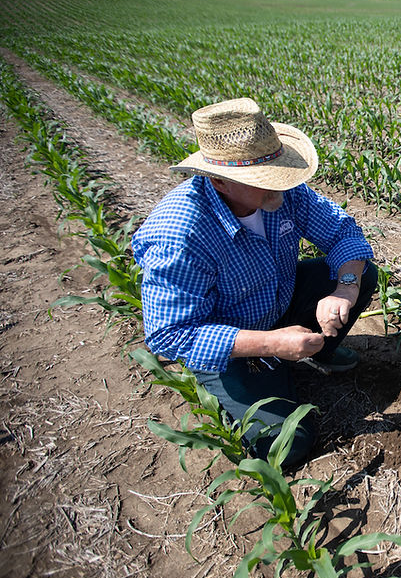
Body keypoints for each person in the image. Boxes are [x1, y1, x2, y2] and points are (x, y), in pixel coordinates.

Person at [133, 97, 377, 469]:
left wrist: (344, 288)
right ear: (219, 181)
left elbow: (344, 233)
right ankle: (229, 380)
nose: (280, 187)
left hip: (274, 300)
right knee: (287, 444)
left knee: (359, 272)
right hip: (227, 339)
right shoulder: (179, 234)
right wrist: (271, 343)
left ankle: (315, 352)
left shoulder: (284, 192)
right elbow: (171, 334)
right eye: (264, 180)